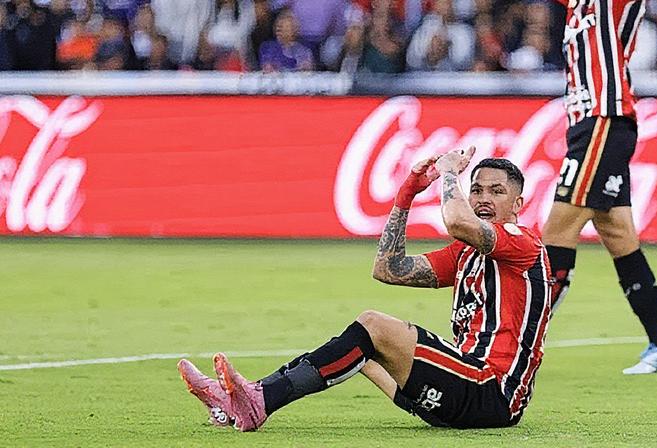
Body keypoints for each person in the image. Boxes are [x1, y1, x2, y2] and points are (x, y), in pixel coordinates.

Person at [177, 150, 552, 431]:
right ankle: (238, 402)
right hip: (461, 388)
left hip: (492, 392)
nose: (484, 198)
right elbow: (388, 269)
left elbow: (457, 220)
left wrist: (450, 172)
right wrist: (406, 194)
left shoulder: (522, 242)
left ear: (518, 204)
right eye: (477, 189)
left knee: (373, 325)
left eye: (497, 192)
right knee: (359, 352)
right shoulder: (464, 255)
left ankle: (258, 400)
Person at [545, 0, 657, 374]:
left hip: (602, 120)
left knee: (558, 231)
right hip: (587, 125)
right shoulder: (575, 9)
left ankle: (520, 342)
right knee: (618, 234)